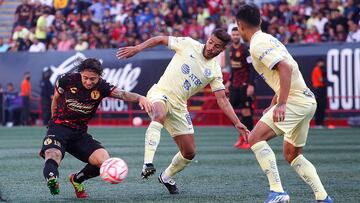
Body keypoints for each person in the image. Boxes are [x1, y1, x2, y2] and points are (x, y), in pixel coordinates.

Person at [117, 29, 249, 194]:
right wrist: (137, 48)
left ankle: (166, 176)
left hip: (179, 106)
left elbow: (222, 99)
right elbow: (159, 39)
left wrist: (237, 122)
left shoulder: (215, 71)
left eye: (217, 47)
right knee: (158, 114)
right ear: (207, 39)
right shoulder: (188, 44)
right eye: (210, 42)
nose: (210, 48)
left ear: (222, 50)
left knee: (189, 152)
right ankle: (147, 163)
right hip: (161, 92)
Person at [235, 4, 332, 203]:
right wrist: (275, 101)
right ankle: (323, 198)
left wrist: (282, 104)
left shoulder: (257, 43)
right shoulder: (270, 39)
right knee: (292, 154)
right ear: (260, 21)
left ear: (240, 26)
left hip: (294, 101)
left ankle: (277, 192)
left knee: (254, 138)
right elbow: (285, 74)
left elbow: (285, 68)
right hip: (306, 100)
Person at [39, 58, 152, 198]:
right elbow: (56, 98)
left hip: (79, 133)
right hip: (59, 127)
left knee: (105, 162)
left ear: (99, 76)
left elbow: (122, 94)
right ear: (80, 73)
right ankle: (52, 179)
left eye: (93, 79)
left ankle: (77, 179)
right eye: (85, 78)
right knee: (53, 154)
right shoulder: (66, 80)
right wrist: (53, 120)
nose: (88, 82)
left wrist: (140, 98)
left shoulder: (102, 87)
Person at [225, 27, 255, 149]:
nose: (235, 36)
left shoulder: (245, 49)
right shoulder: (230, 49)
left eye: (237, 34)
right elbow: (233, 68)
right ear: (231, 36)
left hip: (245, 84)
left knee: (246, 111)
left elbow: (252, 68)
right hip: (234, 85)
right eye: (233, 34)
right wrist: (229, 81)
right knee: (233, 112)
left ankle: (250, 139)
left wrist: (251, 84)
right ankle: (242, 137)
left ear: (240, 36)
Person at [311, 59, 327, 128]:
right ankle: (319, 123)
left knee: (321, 106)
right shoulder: (317, 69)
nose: (322, 64)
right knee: (320, 106)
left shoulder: (318, 69)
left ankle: (320, 123)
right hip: (319, 89)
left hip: (320, 89)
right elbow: (321, 79)